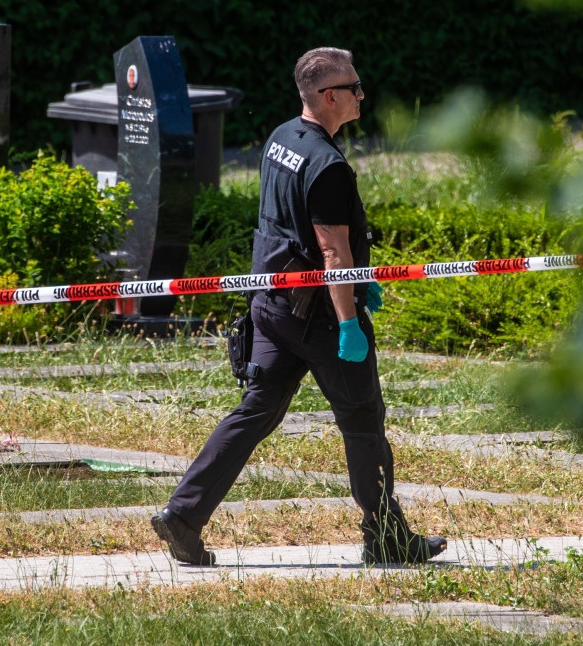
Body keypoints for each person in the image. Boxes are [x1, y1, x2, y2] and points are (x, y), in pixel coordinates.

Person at [151, 47, 446, 566]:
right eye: (354, 87)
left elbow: (286, 227)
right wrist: (350, 319)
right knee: (362, 420)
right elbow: (332, 251)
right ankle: (387, 538)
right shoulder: (328, 165)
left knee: (256, 411)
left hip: (273, 306)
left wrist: (362, 279)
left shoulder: (281, 138)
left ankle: (183, 515)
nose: (362, 94)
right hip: (320, 318)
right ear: (330, 96)